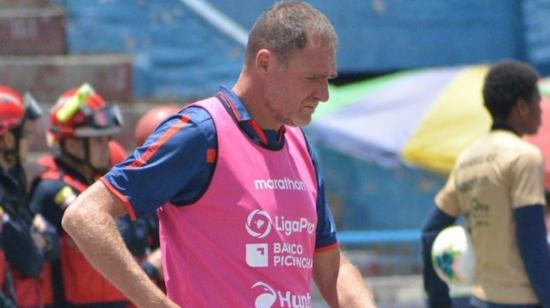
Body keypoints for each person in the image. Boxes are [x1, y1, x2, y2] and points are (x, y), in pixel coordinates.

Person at [61, 1, 376, 307]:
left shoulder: (299, 145)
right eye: (312, 78)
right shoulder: (199, 133)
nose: (323, 94)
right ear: (264, 63)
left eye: (328, 79)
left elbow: (332, 270)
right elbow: (84, 215)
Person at [421, 60, 550, 308]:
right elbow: (531, 240)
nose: (541, 111)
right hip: (522, 300)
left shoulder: (467, 159)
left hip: (481, 299)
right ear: (522, 107)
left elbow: (430, 231)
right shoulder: (524, 157)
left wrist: (438, 301)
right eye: (537, 102)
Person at [28, 83, 132, 307]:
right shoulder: (51, 189)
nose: (107, 147)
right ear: (73, 145)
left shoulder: (97, 185)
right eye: (97, 140)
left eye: (107, 139)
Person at [0, 85, 58, 307]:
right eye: (24, 134)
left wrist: (39, 238)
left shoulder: (12, 184)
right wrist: (36, 236)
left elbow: (50, 240)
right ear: (6, 140)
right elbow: (31, 260)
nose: (29, 141)